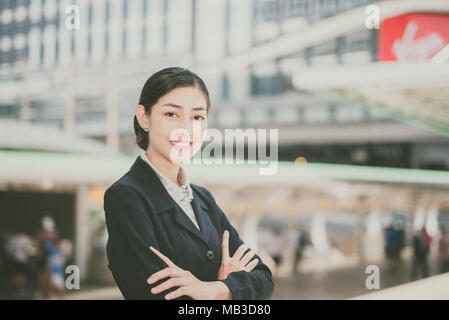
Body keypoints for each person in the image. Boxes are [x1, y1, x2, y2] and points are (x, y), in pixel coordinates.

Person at [103, 67, 274, 300]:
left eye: (197, 117)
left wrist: (215, 290)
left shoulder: (202, 198)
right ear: (144, 118)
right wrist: (230, 288)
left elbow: (264, 278)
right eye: (172, 115)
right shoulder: (125, 197)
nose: (185, 129)